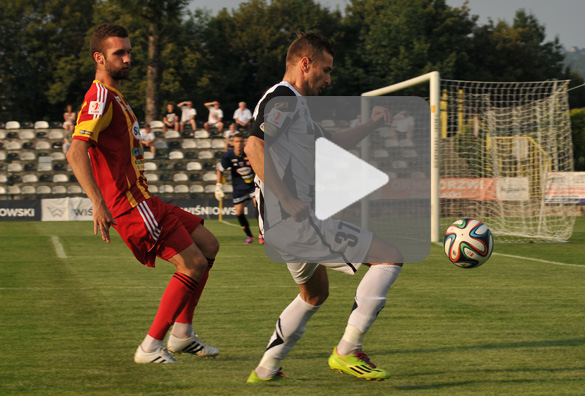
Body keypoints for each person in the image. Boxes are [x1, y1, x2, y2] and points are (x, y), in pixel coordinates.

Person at [244, 32, 402, 383]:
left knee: (314, 294)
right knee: (389, 256)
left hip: (284, 224)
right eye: (326, 70)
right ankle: (348, 350)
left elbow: (331, 145)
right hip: (294, 219)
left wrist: (373, 124)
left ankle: (266, 367)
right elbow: (253, 147)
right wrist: (287, 199)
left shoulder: (297, 107)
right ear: (305, 64)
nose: (329, 79)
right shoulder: (283, 98)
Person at [65, 23, 220, 365]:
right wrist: (97, 202)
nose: (127, 58)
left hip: (144, 200)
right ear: (99, 58)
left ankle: (182, 334)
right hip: (130, 206)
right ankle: (150, 346)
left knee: (208, 245)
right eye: (119, 53)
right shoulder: (100, 97)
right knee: (193, 263)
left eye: (129, 51)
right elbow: (76, 151)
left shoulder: (115, 96)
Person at [215, 132, 263, 244]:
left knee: (258, 207)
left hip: (252, 186)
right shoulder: (228, 156)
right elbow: (220, 170)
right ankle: (249, 236)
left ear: (244, 142)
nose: (239, 144)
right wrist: (218, 186)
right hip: (238, 188)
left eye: (241, 141)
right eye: (236, 141)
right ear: (232, 143)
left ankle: (262, 233)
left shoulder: (249, 152)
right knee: (239, 212)